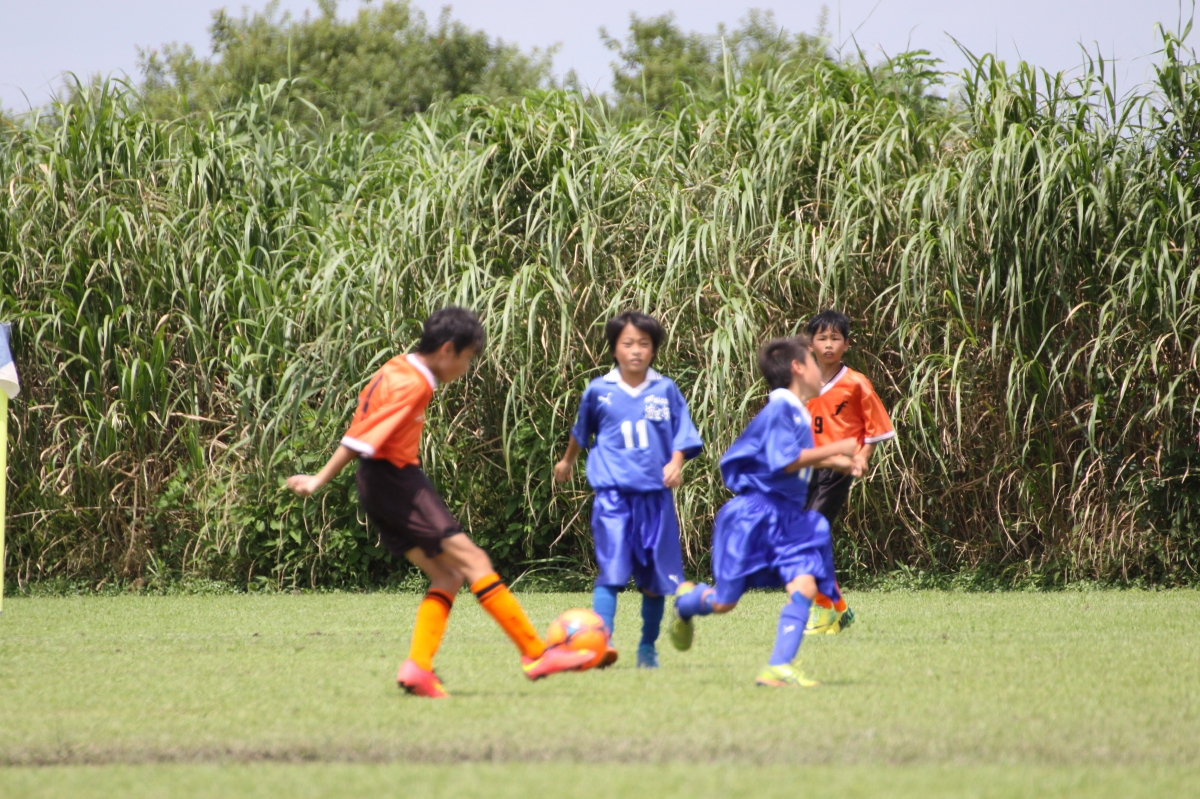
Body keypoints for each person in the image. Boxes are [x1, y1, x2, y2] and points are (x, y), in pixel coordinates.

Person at [286, 307, 594, 698]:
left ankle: (418, 668)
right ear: (447, 349)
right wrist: (319, 479)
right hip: (395, 480)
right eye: (467, 358)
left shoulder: (397, 365)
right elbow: (362, 438)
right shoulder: (414, 383)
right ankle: (536, 654)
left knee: (447, 575)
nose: (466, 369)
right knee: (475, 561)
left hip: (377, 484)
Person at [668, 335, 860, 687]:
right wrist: (838, 449)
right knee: (725, 602)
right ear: (798, 367)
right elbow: (784, 460)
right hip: (754, 515)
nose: (821, 369)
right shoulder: (780, 410)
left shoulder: (797, 412)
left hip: (787, 516)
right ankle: (686, 603)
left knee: (804, 585)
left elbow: (792, 460)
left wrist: (836, 462)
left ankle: (778, 667)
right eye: (813, 362)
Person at [554, 311, 703, 669]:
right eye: (628, 343)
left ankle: (647, 648)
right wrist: (567, 461)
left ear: (653, 350)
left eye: (644, 344)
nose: (636, 350)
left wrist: (676, 463)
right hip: (613, 498)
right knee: (612, 571)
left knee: (654, 580)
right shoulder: (599, 390)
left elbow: (682, 433)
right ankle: (600, 643)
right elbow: (581, 432)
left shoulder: (665, 389)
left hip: (655, 498)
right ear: (614, 349)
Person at [804, 310, 896, 633]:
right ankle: (840, 610)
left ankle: (823, 613)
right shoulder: (802, 382)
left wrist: (862, 457)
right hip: (806, 470)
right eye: (822, 338)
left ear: (847, 344)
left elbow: (877, 427)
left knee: (809, 534)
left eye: (835, 338)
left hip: (837, 470)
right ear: (810, 344)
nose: (828, 345)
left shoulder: (856, 383)